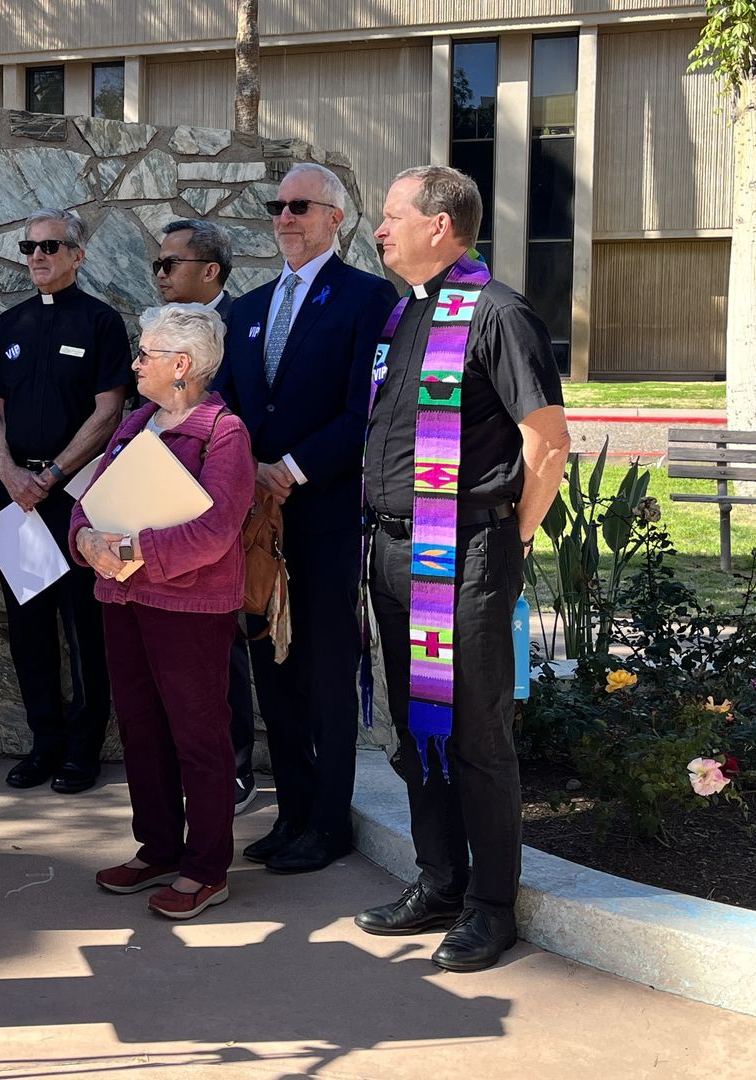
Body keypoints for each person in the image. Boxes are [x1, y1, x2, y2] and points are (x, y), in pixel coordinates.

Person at [354, 165, 570, 972]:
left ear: (439, 225)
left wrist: (513, 536)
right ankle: (441, 881)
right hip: (393, 551)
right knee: (419, 730)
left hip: (466, 554)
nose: (380, 230)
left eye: (392, 216)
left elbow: (547, 442)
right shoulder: (406, 313)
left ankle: (490, 907)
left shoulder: (498, 313)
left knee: (477, 736)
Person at [214, 164, 399, 875]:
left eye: (300, 206)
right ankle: (291, 812)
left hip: (322, 515)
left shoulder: (366, 298)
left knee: (324, 671)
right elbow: (227, 407)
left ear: (335, 219)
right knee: (272, 668)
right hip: (258, 524)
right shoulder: (247, 308)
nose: (285, 217)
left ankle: (328, 823)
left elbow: (366, 410)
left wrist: (289, 469)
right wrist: (249, 471)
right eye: (277, 206)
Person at [69, 304, 255, 921]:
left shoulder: (224, 432)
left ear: (182, 365)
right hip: (122, 600)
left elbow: (217, 530)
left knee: (198, 735)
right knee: (140, 727)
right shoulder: (134, 423)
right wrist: (84, 538)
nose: (135, 364)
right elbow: (90, 499)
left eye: (145, 354)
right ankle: (158, 848)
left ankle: (206, 868)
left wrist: (131, 550)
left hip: (189, 608)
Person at [0, 207, 131, 795]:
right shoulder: (11, 322)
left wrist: (54, 473)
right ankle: (44, 742)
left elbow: (109, 410)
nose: (37, 256)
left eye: (49, 247)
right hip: (16, 496)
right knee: (29, 624)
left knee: (83, 624)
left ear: (77, 256)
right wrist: (8, 471)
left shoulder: (100, 322)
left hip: (76, 496)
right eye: (29, 247)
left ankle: (83, 749)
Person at [153, 218, 260, 816]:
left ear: (211, 270)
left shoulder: (246, 325)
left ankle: (235, 769)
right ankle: (181, 766)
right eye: (158, 265)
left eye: (171, 264)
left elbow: (252, 411)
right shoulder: (161, 328)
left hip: (224, 506)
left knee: (226, 646)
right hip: (161, 509)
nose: (160, 274)